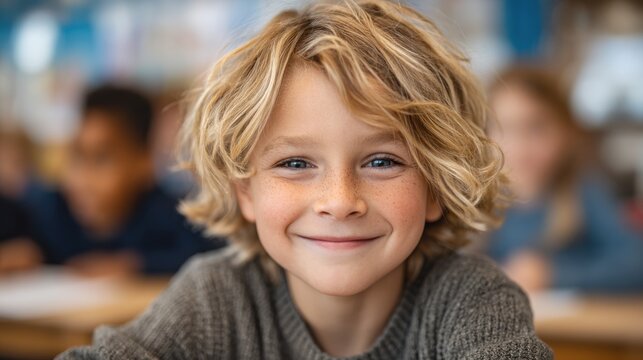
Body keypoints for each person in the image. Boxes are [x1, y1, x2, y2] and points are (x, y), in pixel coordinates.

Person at [58, 1, 551, 359]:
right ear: (244, 189)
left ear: (437, 186)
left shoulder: (472, 301)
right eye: (295, 164)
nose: (339, 202)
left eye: (382, 161)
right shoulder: (218, 300)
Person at [28, 85, 220, 277]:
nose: (82, 178)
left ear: (144, 162)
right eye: (77, 156)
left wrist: (137, 266)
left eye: (101, 159)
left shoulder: (172, 217)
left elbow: (207, 256)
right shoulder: (51, 212)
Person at [485, 65, 643, 293]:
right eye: (505, 128)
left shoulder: (586, 193)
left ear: (567, 132)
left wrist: (553, 274)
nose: (520, 147)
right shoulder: (481, 204)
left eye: (536, 128)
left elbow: (635, 263)